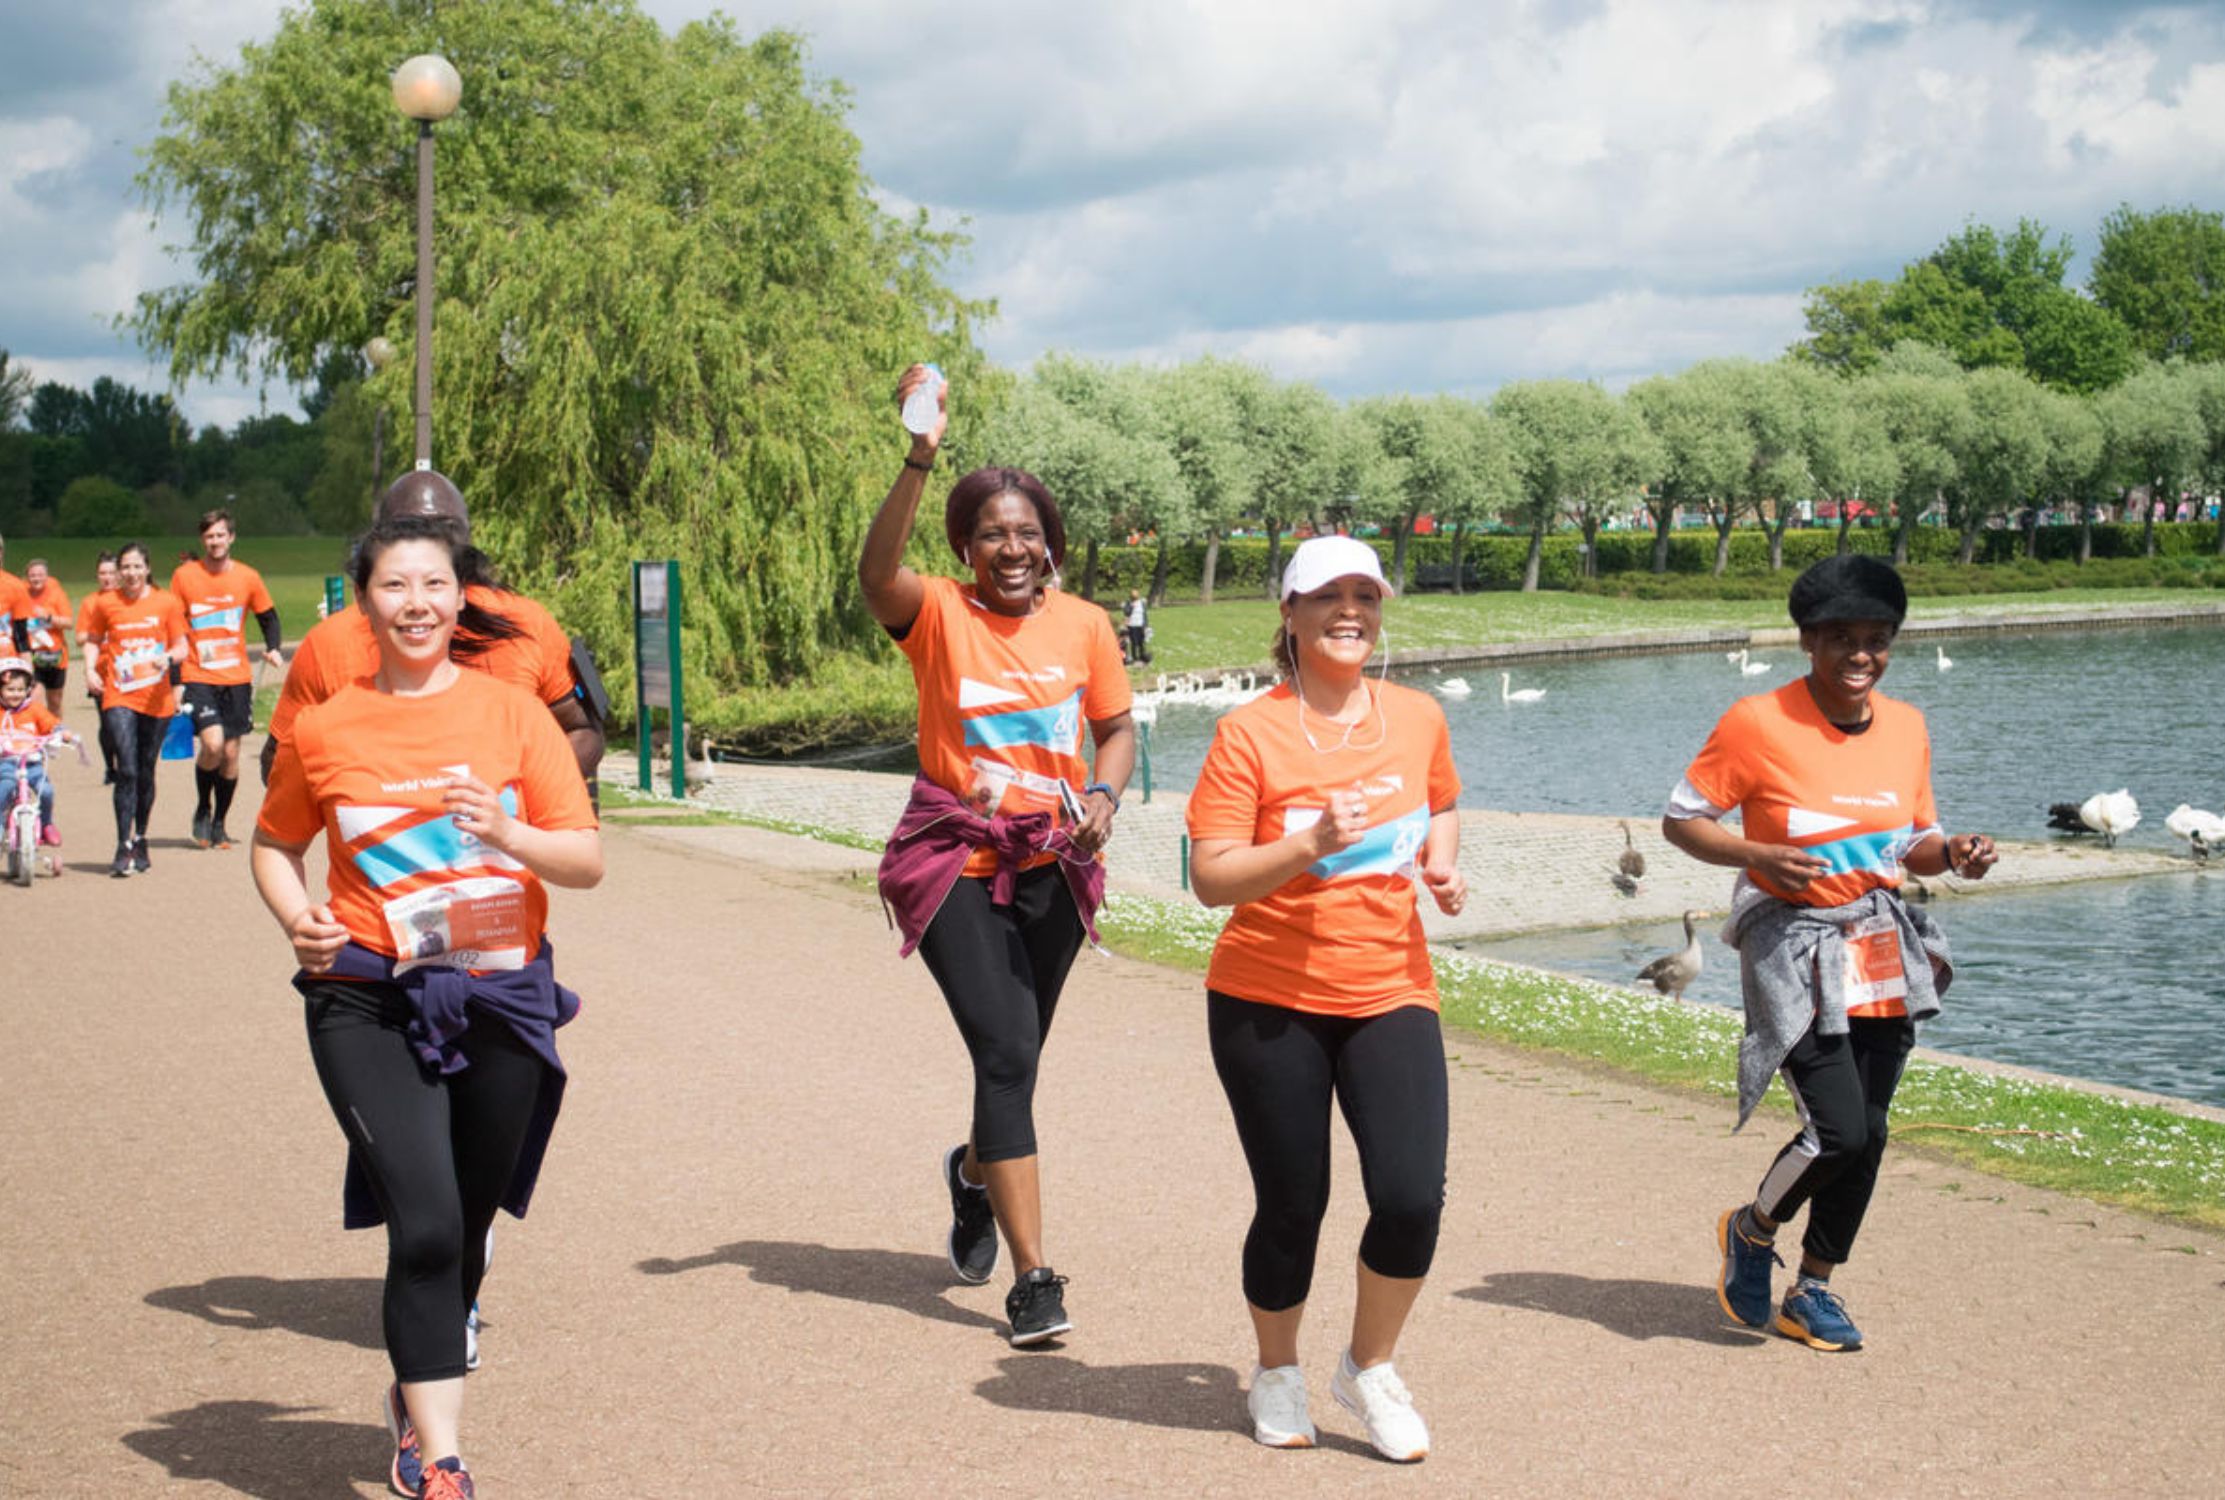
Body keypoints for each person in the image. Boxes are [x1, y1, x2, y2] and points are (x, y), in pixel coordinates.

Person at [252, 515, 602, 1500]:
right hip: (366, 997)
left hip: (500, 998)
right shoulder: (325, 726)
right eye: (394, 587)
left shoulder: (513, 715)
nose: (415, 604)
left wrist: (507, 830)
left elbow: (586, 862)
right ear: (364, 602)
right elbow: (274, 843)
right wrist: (299, 921)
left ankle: (412, 1392)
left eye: (433, 586)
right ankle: (441, 1459)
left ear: (461, 601)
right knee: (430, 1221)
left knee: (472, 1211)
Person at [1661, 554, 1997, 1353]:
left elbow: (1909, 840)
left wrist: (1951, 852)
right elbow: (1682, 820)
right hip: (1792, 939)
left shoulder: (1907, 726)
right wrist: (1758, 856)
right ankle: (1750, 1228)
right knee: (1838, 1130)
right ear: (1807, 641)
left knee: (1872, 1131)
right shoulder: (1756, 722)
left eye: (1876, 640)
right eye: (1840, 638)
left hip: (1878, 939)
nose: (1860, 655)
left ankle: (1811, 1289)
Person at [864, 364, 1136, 1348]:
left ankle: (973, 1175)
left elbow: (1114, 729)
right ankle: (1034, 1280)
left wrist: (1103, 793)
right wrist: (917, 457)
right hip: (952, 861)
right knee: (1006, 1051)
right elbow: (872, 574)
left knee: (1012, 1065)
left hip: (1054, 863)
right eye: (990, 533)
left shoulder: (1086, 626)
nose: (1009, 547)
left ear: (1048, 544)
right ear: (965, 547)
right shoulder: (936, 613)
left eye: (1025, 532)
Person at [1184, 534, 1465, 1462]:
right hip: (1269, 998)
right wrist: (1306, 843)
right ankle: (1276, 1370)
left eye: (1365, 595)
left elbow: (1444, 801)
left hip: (1390, 987)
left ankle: (1368, 1367)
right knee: (1293, 1202)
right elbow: (1211, 879)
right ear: (1290, 614)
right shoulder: (1249, 733)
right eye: (1327, 596)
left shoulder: (1418, 716)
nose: (1350, 611)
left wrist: (1442, 860)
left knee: (1411, 1196)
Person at [262, 472, 603, 800]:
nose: (432, 543)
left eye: (447, 530)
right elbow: (279, 766)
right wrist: (369, 800)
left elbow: (584, 731)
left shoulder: (526, 623)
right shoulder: (331, 642)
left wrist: (520, 800)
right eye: (413, 530)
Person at [171, 509, 286, 849]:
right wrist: (176, 679)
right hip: (198, 673)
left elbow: (269, 617)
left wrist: (274, 648)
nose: (215, 541)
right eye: (209, 536)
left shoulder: (248, 577)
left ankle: (220, 821)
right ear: (202, 540)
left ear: (231, 538)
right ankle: (202, 808)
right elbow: (174, 626)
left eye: (220, 535)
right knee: (212, 744)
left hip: (236, 677)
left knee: (232, 754)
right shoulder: (185, 576)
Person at [77, 542, 187, 878]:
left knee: (144, 771)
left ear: (148, 569)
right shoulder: (106, 603)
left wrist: (167, 658)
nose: (131, 573)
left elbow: (182, 644)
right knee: (126, 769)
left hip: (155, 699)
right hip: (119, 694)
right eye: (125, 567)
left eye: (137, 567)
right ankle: (122, 843)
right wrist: (91, 669)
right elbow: (94, 639)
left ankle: (141, 837)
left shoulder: (166, 602)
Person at [1, 656, 77, 847]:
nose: (15, 694)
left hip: (31, 763)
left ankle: (46, 823)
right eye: (10, 689)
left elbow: (51, 724)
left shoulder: (34, 709)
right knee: (6, 786)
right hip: (6, 763)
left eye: (20, 690)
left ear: (28, 690)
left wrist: (61, 732)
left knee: (47, 791)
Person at [76, 554, 121, 785]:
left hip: (125, 670)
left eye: (112, 572)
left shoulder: (127, 600)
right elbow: (80, 637)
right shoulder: (90, 602)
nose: (108, 578)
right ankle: (110, 767)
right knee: (107, 722)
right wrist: (103, 633)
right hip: (100, 669)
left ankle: (126, 764)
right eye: (103, 573)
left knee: (123, 719)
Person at [13, 559, 72, 716]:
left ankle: (55, 732)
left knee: (55, 701)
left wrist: (48, 617)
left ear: (47, 576)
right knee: (34, 697)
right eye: (32, 575)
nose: (36, 579)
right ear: (27, 577)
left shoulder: (56, 593)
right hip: (32, 656)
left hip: (55, 656)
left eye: (40, 575)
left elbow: (68, 623)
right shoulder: (21, 592)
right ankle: (37, 736)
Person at [1122, 588, 1150, 664]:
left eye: (1136, 596)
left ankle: (1142, 656)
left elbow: (1144, 614)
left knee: (1142, 642)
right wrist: (1131, 606)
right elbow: (1126, 613)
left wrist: (1146, 625)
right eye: (1133, 596)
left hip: (1141, 625)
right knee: (1134, 642)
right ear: (1130, 596)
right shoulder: (1128, 603)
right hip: (1132, 625)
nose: (1134, 598)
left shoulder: (1142, 603)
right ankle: (1134, 657)